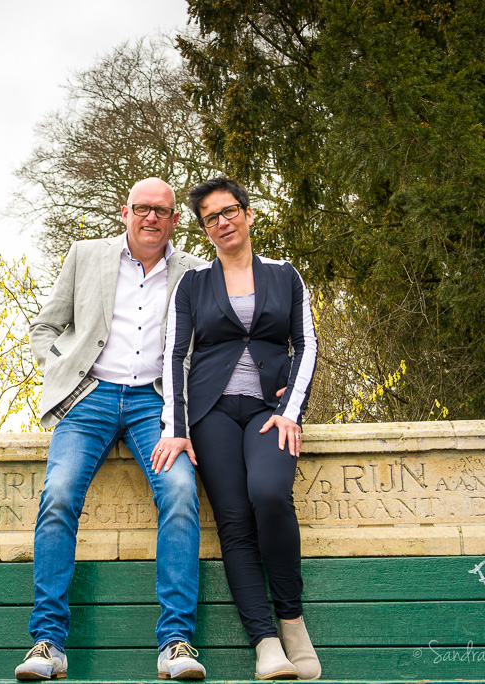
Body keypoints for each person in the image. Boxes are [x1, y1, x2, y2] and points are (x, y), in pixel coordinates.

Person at [16, 178, 206, 681]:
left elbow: (212, 344)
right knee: (57, 493)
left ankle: (176, 643)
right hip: (90, 396)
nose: (152, 219)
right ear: (125, 212)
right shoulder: (86, 256)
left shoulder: (194, 272)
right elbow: (45, 328)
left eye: (162, 211)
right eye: (142, 209)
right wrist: (64, 369)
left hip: (156, 404)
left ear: (174, 220)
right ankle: (48, 642)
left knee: (182, 492)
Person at [152, 177, 320, 680]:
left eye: (229, 212)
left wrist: (291, 411)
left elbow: (306, 345)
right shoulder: (194, 284)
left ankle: (291, 621)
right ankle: (265, 643)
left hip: (269, 413)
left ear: (248, 214)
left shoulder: (285, 275)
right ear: (204, 230)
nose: (222, 222)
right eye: (211, 218)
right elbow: (176, 355)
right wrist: (176, 427)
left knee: (269, 494)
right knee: (233, 521)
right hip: (212, 414)